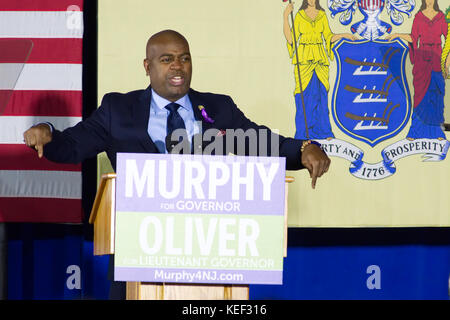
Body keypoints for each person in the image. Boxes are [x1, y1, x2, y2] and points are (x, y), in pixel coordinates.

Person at [23, 30, 331, 299]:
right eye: (167, 59)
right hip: (137, 254)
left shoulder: (217, 108)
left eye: (184, 58)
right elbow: (74, 145)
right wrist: (48, 134)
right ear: (148, 66)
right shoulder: (118, 109)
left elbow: (259, 141)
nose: (177, 67)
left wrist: (304, 148)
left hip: (210, 253)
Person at [283, 0, 355, 140]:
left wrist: (343, 35)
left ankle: (324, 132)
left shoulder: (322, 15)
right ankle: (304, 133)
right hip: (304, 61)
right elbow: (291, 39)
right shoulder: (299, 16)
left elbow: (328, 36)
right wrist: (285, 17)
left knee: (321, 95)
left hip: (320, 59)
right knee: (304, 96)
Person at [387, 0, 448, 140]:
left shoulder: (441, 18)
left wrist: (447, 58)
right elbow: (413, 38)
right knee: (420, 97)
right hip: (422, 60)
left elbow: (448, 38)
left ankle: (437, 132)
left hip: (437, 58)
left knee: (437, 96)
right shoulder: (419, 17)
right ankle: (415, 131)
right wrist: (398, 35)